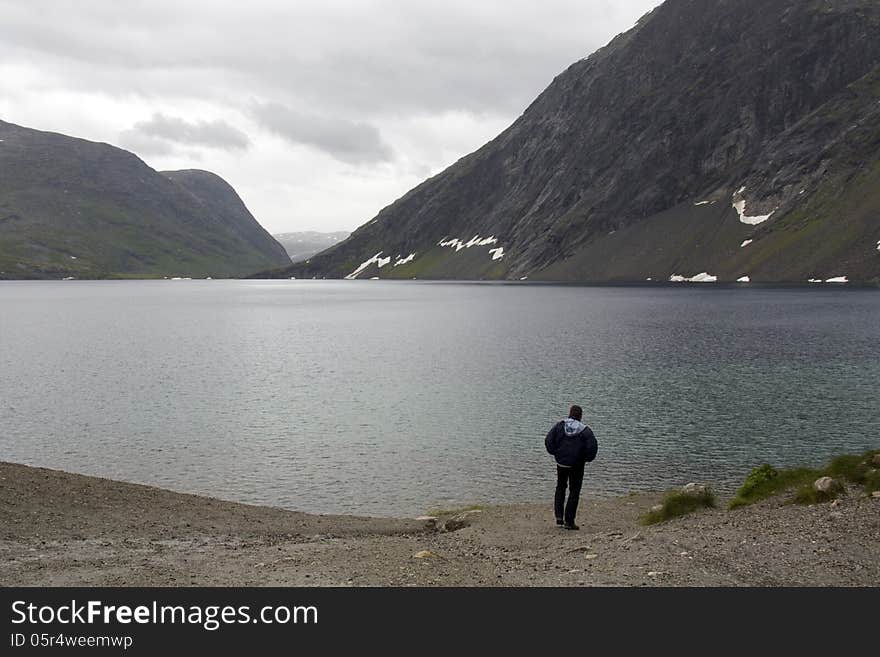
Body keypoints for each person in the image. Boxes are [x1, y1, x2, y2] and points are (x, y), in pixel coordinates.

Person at [544, 405, 598, 530]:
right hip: (577, 464)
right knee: (574, 491)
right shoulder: (585, 430)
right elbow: (592, 447)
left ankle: (559, 516)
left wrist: (555, 453)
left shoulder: (560, 425)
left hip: (561, 462)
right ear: (580, 416)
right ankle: (569, 521)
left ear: (570, 413)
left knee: (561, 487)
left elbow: (548, 440)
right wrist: (587, 459)